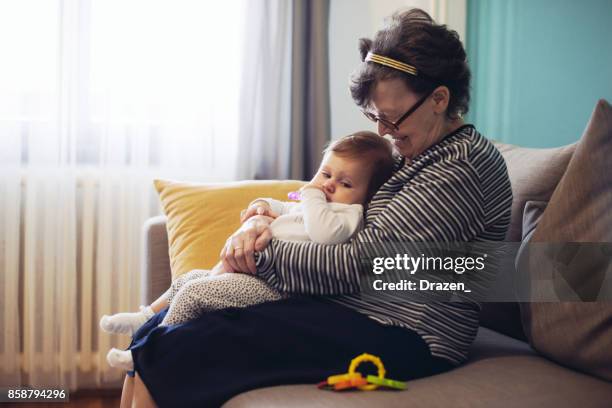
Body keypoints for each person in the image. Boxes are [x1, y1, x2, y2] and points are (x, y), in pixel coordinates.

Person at [121, 8, 513, 408]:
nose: (383, 131)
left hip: (410, 334)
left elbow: (361, 266)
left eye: (392, 118)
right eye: (376, 117)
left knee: (179, 346)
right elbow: (336, 217)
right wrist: (263, 221)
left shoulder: (459, 168)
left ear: (439, 99)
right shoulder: (414, 155)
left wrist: (262, 249)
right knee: (155, 331)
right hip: (353, 309)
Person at [101, 131, 395, 371]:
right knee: (189, 278)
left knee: (195, 293)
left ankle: (150, 352)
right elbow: (281, 206)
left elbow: (323, 233)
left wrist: (312, 195)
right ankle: (146, 317)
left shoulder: (347, 215)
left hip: (277, 289)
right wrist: (262, 207)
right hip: (252, 274)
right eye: (325, 173)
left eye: (344, 183)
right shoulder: (309, 203)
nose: (329, 185)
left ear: (365, 196)